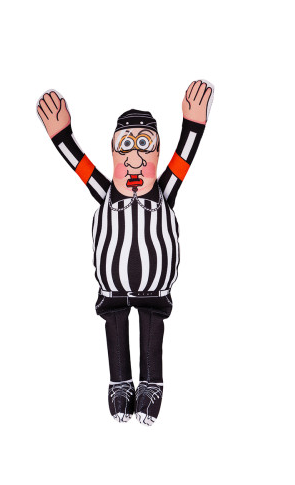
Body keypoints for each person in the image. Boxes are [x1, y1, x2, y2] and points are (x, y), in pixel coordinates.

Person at [37, 80, 214, 425]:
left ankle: (151, 383)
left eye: (144, 146)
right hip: (113, 289)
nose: (134, 159)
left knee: (151, 326)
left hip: (154, 288)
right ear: (114, 153)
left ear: (156, 154)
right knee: (115, 326)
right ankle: (120, 383)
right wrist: (62, 136)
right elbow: (81, 166)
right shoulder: (106, 193)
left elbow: (183, 159)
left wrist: (193, 125)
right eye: (126, 147)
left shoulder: (164, 192)